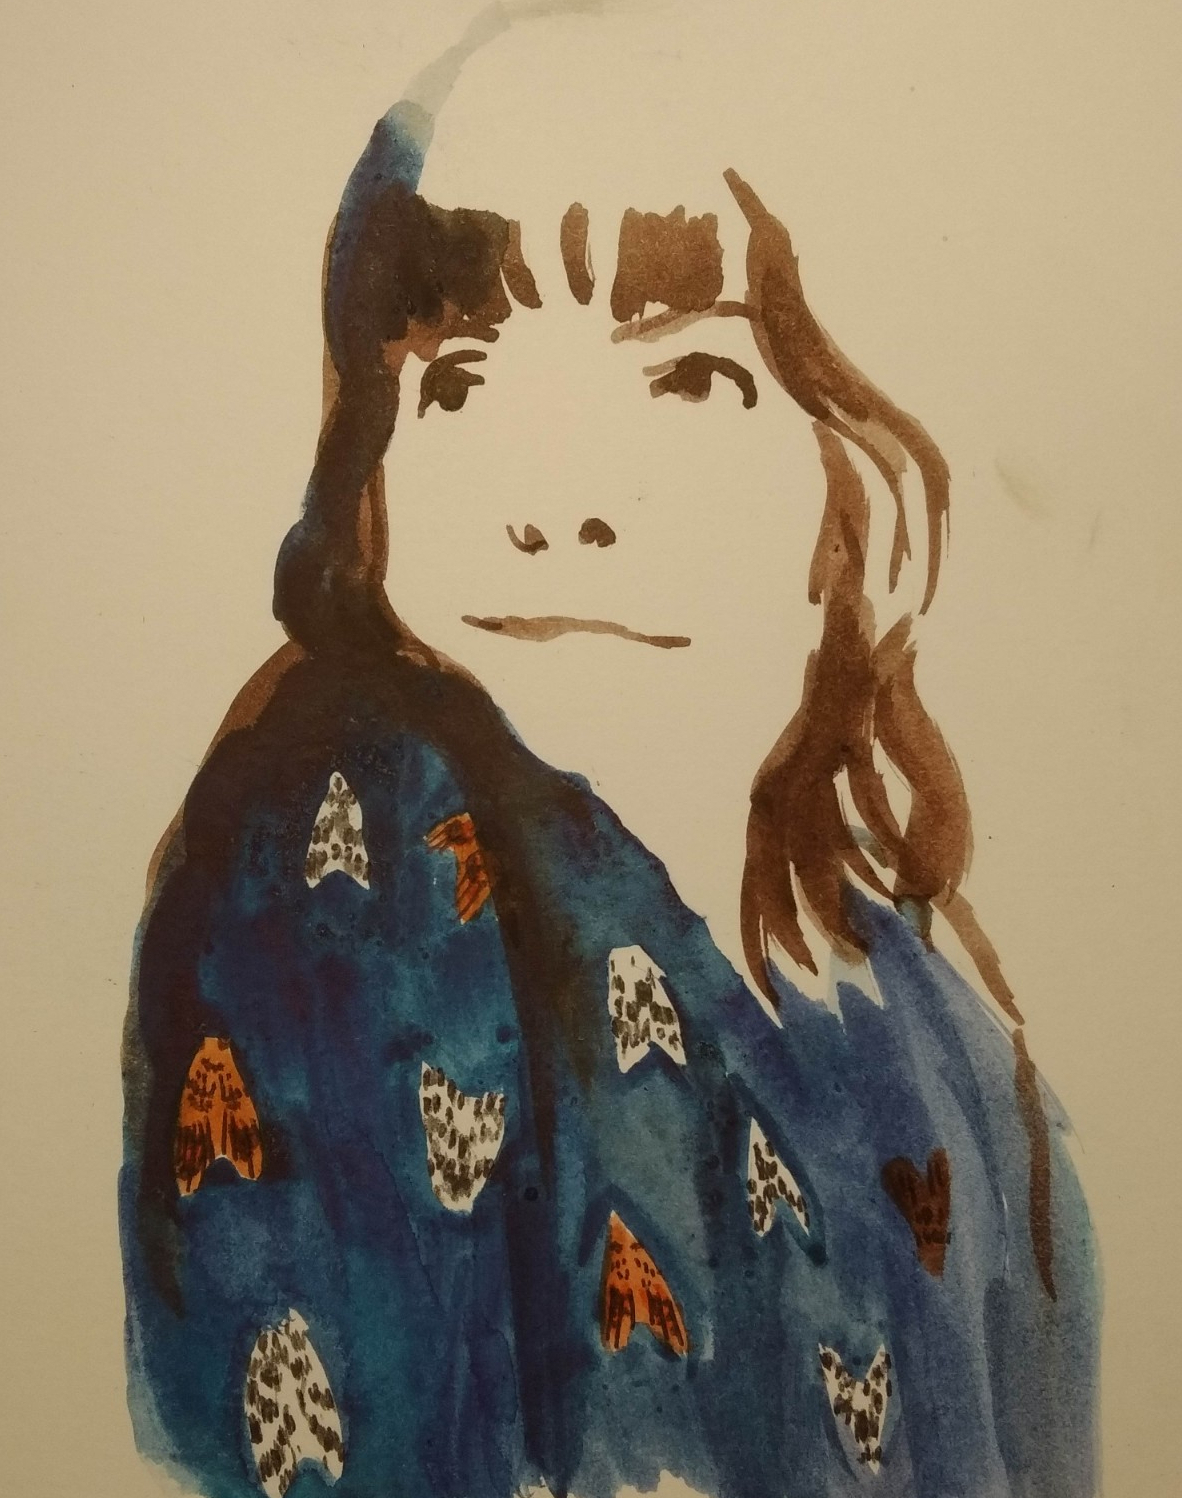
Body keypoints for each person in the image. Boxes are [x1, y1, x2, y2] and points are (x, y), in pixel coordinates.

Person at [120, 8, 1099, 1497]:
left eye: (688, 379)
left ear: (860, 481)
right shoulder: (342, 848)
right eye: (460, 382)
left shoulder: (929, 1007)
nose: (557, 505)